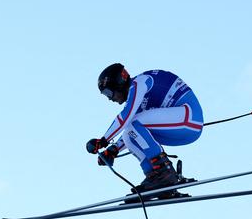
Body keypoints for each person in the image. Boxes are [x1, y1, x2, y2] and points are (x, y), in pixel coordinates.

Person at [86, 63, 204, 197]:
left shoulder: (139, 83)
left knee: (131, 123)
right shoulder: (139, 97)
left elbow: (126, 116)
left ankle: (165, 173)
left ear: (118, 83)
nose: (109, 98)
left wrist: (102, 141)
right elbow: (134, 129)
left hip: (189, 118)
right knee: (129, 135)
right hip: (182, 126)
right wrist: (114, 150)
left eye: (108, 92)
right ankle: (155, 178)